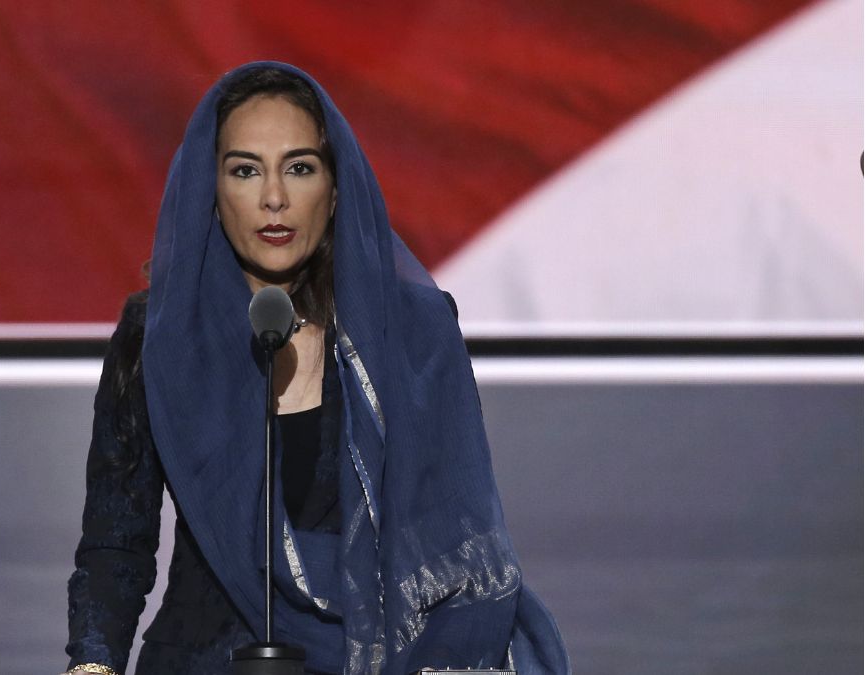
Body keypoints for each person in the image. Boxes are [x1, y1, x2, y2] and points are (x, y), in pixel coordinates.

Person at [65, 62, 569, 675]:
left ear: (335, 190)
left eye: (299, 168)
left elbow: (457, 543)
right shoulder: (160, 339)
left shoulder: (408, 332)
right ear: (210, 191)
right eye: (245, 170)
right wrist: (92, 666)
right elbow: (117, 545)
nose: (274, 197)